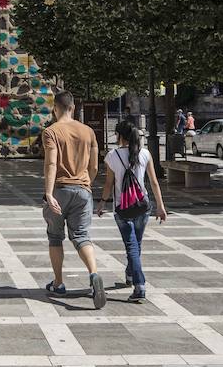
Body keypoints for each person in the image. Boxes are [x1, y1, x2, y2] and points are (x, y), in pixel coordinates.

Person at [42, 91, 106, 309]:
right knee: (81, 236)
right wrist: (86, 183)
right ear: (74, 108)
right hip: (83, 189)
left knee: (55, 237)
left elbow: (51, 164)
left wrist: (48, 193)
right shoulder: (88, 132)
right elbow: (95, 166)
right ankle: (94, 274)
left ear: (55, 108)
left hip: (60, 189)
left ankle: (59, 282)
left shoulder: (51, 132)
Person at [98, 120, 167, 303]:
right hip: (142, 206)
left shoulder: (112, 156)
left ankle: (139, 285)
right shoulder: (145, 154)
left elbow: (108, 184)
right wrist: (160, 206)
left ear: (120, 136)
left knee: (132, 245)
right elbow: (153, 182)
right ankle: (130, 274)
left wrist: (102, 203)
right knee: (136, 244)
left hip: (122, 208)